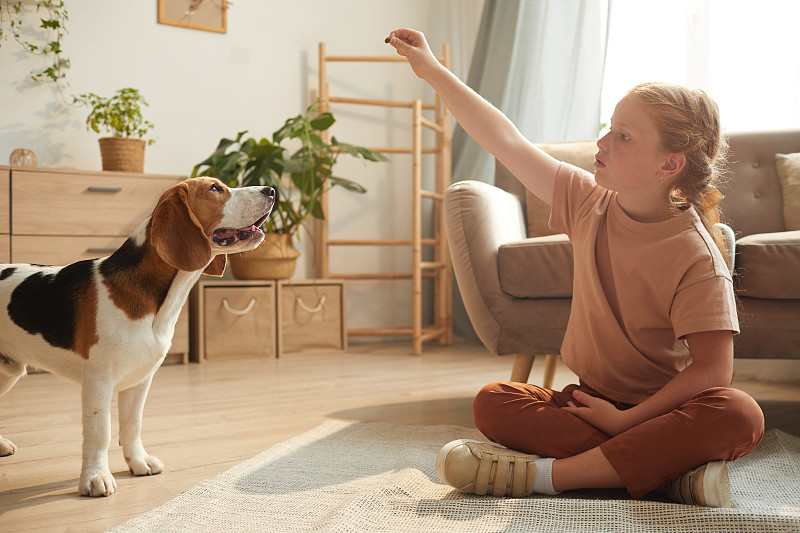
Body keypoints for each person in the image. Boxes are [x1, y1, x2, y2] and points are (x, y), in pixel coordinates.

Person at [386, 28, 765, 507]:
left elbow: (713, 371)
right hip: (586, 404)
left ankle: (550, 477)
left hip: (659, 413)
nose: (601, 141)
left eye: (623, 136)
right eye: (609, 126)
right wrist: (433, 72)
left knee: (740, 414)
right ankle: (670, 475)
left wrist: (626, 422)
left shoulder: (696, 255)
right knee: (493, 402)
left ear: (668, 165)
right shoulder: (588, 201)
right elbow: (506, 140)